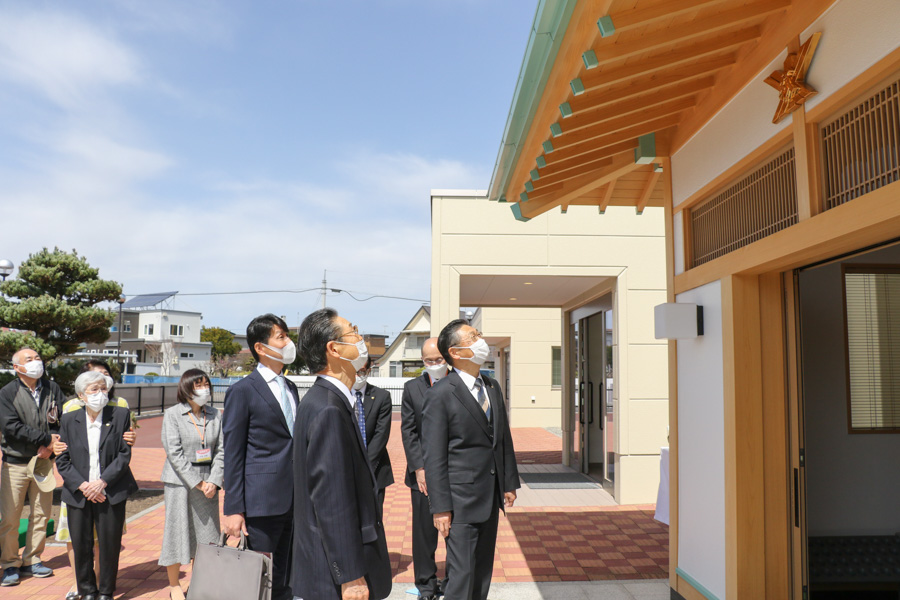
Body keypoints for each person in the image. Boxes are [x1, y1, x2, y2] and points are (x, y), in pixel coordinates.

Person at [291, 308, 391, 600]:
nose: (361, 338)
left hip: (325, 564)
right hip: (335, 577)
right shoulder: (328, 409)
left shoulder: (325, 400)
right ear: (333, 349)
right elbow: (332, 501)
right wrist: (350, 576)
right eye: (353, 331)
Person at [422, 320, 520, 600]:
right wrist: (440, 508)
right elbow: (434, 456)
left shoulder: (491, 386)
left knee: (482, 573)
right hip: (459, 501)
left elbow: (502, 438)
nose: (481, 341)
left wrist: (508, 482)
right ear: (455, 352)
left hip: (490, 497)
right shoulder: (440, 394)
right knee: (462, 575)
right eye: (473, 337)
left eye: (479, 335)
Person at [222, 314, 299, 600]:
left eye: (287, 335)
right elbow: (233, 453)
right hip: (261, 502)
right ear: (260, 347)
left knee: (285, 577)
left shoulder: (290, 387)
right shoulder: (242, 391)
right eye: (281, 337)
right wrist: (233, 508)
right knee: (258, 577)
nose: (288, 342)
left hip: (294, 499)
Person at [53, 360, 137, 600]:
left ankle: (106, 591)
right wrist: (83, 485)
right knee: (81, 544)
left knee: (109, 544)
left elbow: (124, 454)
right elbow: (63, 459)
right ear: (81, 395)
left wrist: (102, 483)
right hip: (79, 492)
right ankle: (87, 590)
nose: (100, 393)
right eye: (94, 389)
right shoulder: (70, 419)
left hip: (110, 490)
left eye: (103, 388)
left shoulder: (120, 415)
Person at [0, 347, 66, 586]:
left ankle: (32, 559)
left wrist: (51, 445)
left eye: (38, 358)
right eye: (29, 359)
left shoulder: (52, 388)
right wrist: (45, 439)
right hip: (15, 463)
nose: (36, 362)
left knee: (41, 513)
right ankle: (9, 563)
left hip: (44, 463)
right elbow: (11, 427)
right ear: (17, 367)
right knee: (10, 517)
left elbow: (63, 419)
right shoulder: (7, 393)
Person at [158, 369, 224, 600]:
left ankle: (199, 584)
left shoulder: (215, 415)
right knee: (177, 532)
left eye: (206, 385)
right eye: (198, 385)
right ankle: (174, 585)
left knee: (207, 534)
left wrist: (214, 480)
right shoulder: (173, 414)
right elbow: (174, 453)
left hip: (208, 483)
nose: (204, 389)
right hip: (179, 482)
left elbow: (222, 450)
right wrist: (197, 482)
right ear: (186, 389)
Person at [400, 337, 449, 600]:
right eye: (429, 361)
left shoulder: (457, 384)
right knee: (423, 533)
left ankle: (453, 582)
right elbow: (408, 431)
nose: (434, 364)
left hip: (454, 472)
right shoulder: (412, 388)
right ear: (422, 361)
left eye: (438, 359)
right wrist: (418, 467)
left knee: (455, 532)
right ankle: (426, 585)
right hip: (423, 475)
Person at [351, 356, 393, 518]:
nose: (357, 375)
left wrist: (365, 467)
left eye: (361, 371)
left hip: (375, 469)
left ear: (368, 371)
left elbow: (381, 435)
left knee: (373, 519)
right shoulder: (339, 396)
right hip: (346, 469)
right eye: (354, 371)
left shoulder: (382, 396)